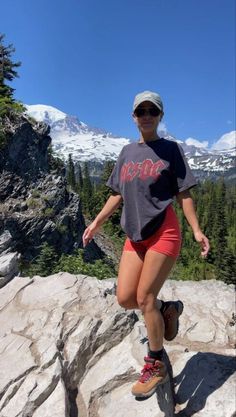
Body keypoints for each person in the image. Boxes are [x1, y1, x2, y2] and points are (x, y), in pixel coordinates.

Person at [82, 90, 210, 399]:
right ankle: (168, 310)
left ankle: (155, 363)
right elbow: (117, 193)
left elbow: (184, 194)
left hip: (163, 232)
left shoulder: (170, 149)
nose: (147, 115)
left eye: (153, 110)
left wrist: (196, 230)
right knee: (126, 298)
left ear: (160, 116)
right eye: (141, 111)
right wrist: (97, 222)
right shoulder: (127, 152)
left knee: (144, 297)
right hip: (134, 236)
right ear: (133, 116)